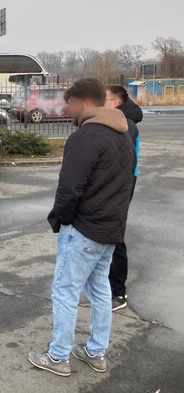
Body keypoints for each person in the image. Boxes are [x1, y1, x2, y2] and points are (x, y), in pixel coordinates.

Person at [28, 79, 135, 377]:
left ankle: (58, 356)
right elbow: (125, 186)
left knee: (65, 290)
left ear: (85, 102)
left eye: (70, 103)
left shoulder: (86, 137)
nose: (67, 108)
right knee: (100, 290)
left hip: (84, 230)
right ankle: (95, 351)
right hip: (110, 230)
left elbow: (69, 190)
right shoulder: (123, 135)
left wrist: (58, 219)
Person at [105, 85, 142, 311]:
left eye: (104, 98)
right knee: (107, 233)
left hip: (122, 183)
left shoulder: (126, 125)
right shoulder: (120, 118)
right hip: (117, 183)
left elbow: (119, 158)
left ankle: (119, 293)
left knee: (114, 234)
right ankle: (106, 286)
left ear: (116, 102)